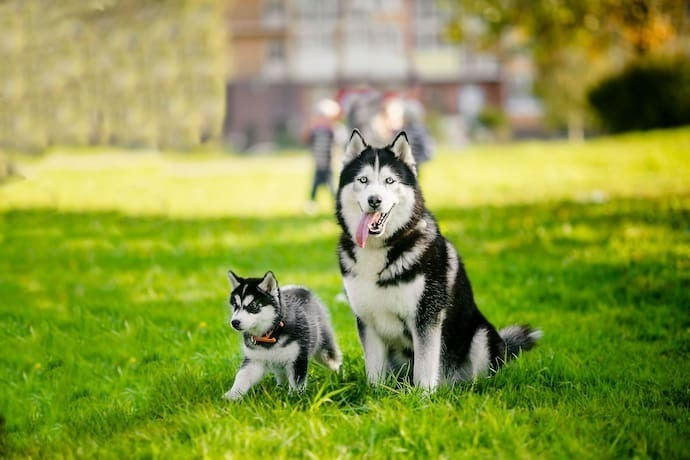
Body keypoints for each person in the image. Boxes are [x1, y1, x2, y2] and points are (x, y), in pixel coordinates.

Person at [305, 99, 338, 214]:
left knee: (331, 187)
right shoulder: (315, 132)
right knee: (315, 186)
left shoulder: (332, 132)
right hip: (318, 164)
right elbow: (306, 139)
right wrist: (310, 126)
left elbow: (337, 142)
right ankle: (312, 203)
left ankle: (336, 204)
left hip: (328, 165)